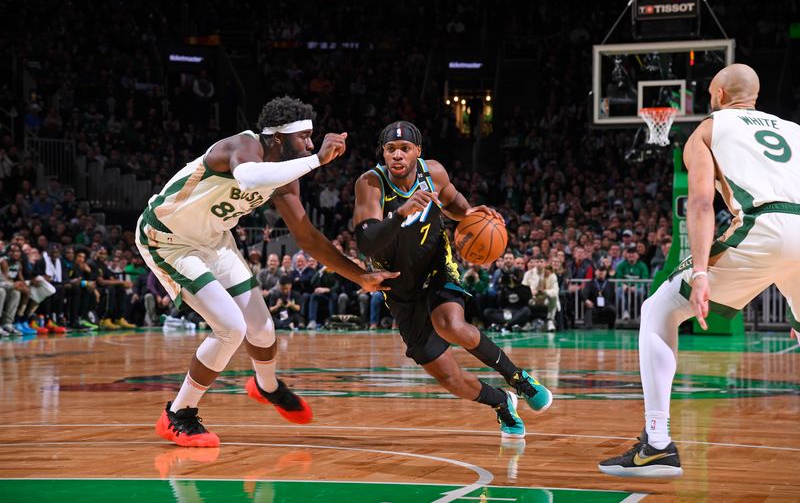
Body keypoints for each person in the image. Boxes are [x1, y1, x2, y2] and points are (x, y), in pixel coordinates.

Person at [136, 96, 396, 447]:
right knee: (230, 328)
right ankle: (177, 415)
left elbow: (307, 237)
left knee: (261, 327)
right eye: (303, 137)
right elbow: (248, 177)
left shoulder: (286, 179)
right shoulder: (243, 145)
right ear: (278, 138)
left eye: (311, 138)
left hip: (213, 240)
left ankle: (267, 386)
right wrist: (316, 159)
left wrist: (359, 275)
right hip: (168, 238)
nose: (309, 143)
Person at [599, 64, 800, 477]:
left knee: (659, 309)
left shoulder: (709, 129)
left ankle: (656, 444)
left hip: (765, 226)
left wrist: (703, 272)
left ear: (721, 95)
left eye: (710, 93)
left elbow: (701, 204)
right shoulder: (794, 130)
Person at [353, 120, 552, 441]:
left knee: (451, 324)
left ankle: (518, 378)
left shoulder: (434, 173)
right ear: (383, 153)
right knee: (447, 376)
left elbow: (456, 204)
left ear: (418, 151)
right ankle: (502, 402)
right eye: (391, 149)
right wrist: (401, 213)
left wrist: (475, 214)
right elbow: (367, 242)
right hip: (397, 286)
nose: (398, 155)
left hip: (435, 266)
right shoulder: (370, 184)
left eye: (405, 149)